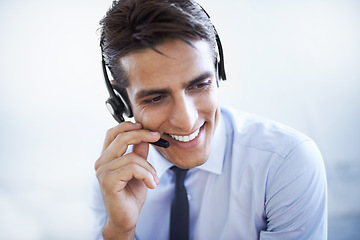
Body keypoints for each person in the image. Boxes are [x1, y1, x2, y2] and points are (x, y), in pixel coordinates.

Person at [92, 0, 327, 239]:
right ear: (122, 101)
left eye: (200, 85)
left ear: (218, 73)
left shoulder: (284, 163)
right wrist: (120, 231)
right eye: (155, 98)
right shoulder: (116, 174)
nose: (186, 121)